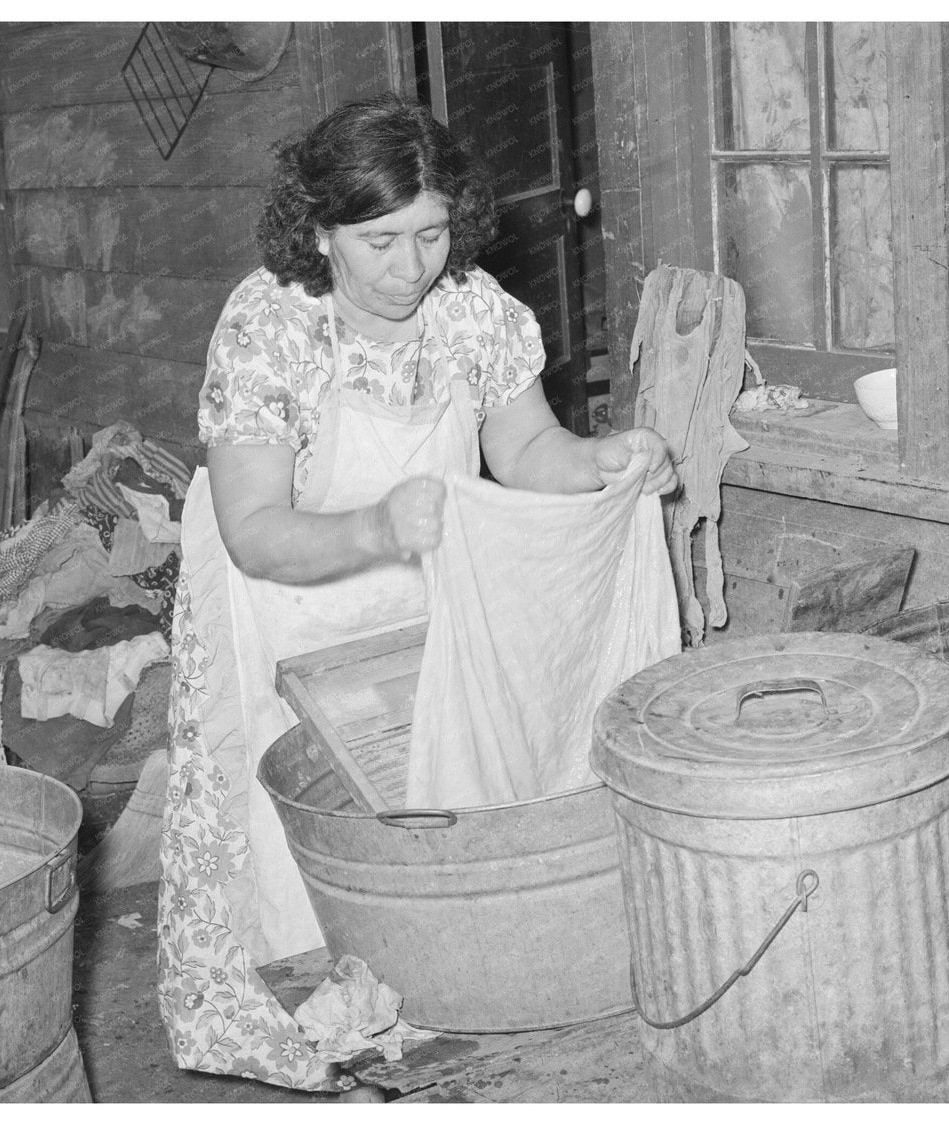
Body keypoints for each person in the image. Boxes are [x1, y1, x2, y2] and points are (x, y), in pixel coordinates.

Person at [157, 93, 677, 1091]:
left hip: (417, 598)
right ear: (321, 231)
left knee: (412, 808)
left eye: (431, 234)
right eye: (379, 240)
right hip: (281, 605)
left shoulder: (475, 311)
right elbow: (255, 529)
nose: (410, 267)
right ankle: (314, 1024)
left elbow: (527, 449)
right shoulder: (270, 324)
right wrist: (374, 530)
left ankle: (428, 1010)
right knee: (291, 846)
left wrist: (605, 460)